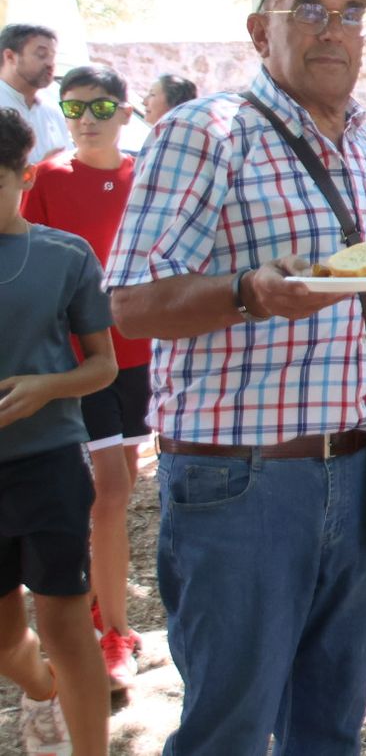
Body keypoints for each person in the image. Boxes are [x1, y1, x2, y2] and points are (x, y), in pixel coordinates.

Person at [104, 0, 366, 754]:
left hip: (357, 472)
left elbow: (363, 303)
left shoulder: (364, 151)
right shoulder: (207, 132)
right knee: (228, 730)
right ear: (261, 31)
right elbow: (131, 303)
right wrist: (245, 292)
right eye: (310, 10)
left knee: (329, 729)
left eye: (351, 15)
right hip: (241, 483)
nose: (333, 29)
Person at [20, 64, 152, 693]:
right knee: (111, 492)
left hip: (146, 354)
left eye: (100, 107)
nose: (86, 120)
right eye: (73, 109)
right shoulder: (47, 177)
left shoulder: (145, 175)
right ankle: (112, 632)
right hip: (84, 359)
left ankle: (106, 608)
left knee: (123, 481)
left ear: (125, 112)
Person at [0, 107, 116, 756]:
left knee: (67, 625)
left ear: (25, 176)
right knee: (4, 642)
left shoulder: (65, 255)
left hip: (48, 465)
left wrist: (46, 386)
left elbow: (102, 366)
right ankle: (42, 690)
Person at [0, 24, 69, 164]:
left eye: (53, 56)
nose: (50, 63)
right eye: (41, 55)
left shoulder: (54, 103)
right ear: (10, 57)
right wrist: (38, 171)